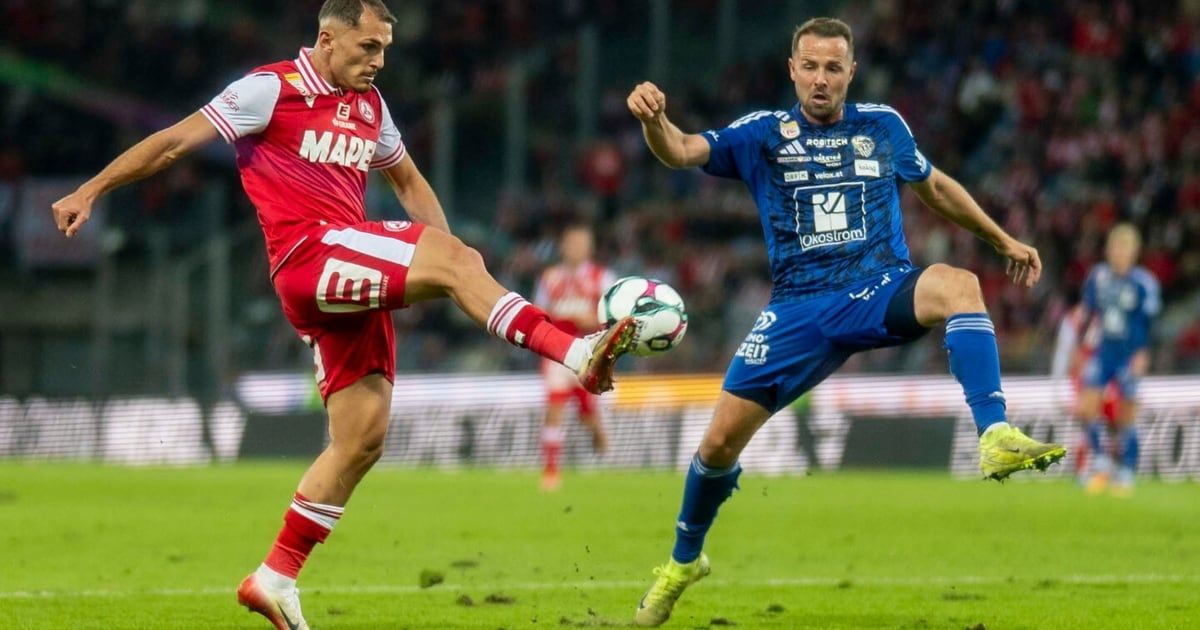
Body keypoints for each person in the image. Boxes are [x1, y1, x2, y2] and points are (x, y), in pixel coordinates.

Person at [49, 1, 636, 628]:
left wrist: (456, 266)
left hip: (345, 268)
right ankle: (576, 351)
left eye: (384, 50)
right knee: (454, 266)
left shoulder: (372, 109)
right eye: (367, 48)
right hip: (307, 255)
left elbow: (408, 182)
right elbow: (172, 143)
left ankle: (275, 577)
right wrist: (91, 190)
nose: (378, 62)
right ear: (327, 39)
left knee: (361, 438)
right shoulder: (268, 90)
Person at [625, 17, 1065, 626]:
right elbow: (679, 150)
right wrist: (653, 120)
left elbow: (934, 186)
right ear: (792, 69)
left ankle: (995, 436)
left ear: (852, 71)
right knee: (719, 443)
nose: (821, 79)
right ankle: (682, 563)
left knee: (959, 286)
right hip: (797, 310)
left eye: (834, 68)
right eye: (810, 66)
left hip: (878, 286)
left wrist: (1001, 239)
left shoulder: (883, 126)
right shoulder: (761, 134)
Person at [1075, 224, 1159, 497]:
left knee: (1126, 415)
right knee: (1087, 408)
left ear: (1134, 252)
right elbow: (1088, 315)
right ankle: (1101, 464)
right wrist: (1080, 348)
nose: (1119, 253)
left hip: (1129, 355)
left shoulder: (1144, 283)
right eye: (1115, 247)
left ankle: (1126, 470)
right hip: (1103, 351)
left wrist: (1143, 353)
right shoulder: (1098, 277)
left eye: (1125, 248)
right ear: (1108, 250)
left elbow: (1149, 324)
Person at [533, 223, 616, 491]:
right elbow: (537, 313)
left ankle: (602, 441)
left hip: (588, 353)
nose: (575, 248)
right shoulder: (550, 278)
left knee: (587, 414)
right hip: (557, 353)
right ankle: (551, 471)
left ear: (589, 248)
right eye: (571, 243)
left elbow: (614, 317)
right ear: (563, 247)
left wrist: (591, 319)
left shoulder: (602, 277)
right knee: (554, 409)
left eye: (581, 243)